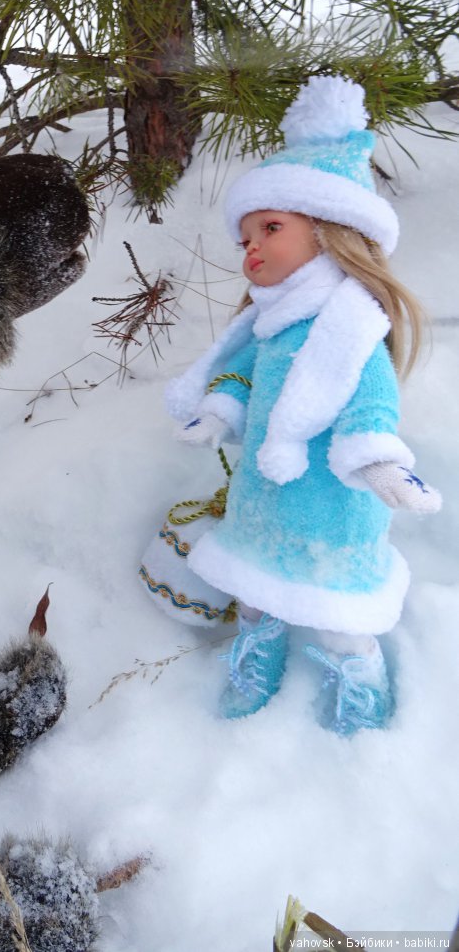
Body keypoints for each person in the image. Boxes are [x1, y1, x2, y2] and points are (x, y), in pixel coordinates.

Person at [165, 75, 441, 736]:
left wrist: (376, 461)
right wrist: (219, 409)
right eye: (245, 237)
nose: (251, 247)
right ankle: (257, 654)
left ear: (329, 230)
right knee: (257, 594)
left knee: (338, 617)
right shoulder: (273, 324)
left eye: (271, 227)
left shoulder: (352, 328)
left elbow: (371, 404)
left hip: (332, 506)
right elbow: (241, 375)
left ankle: (360, 678)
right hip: (265, 499)